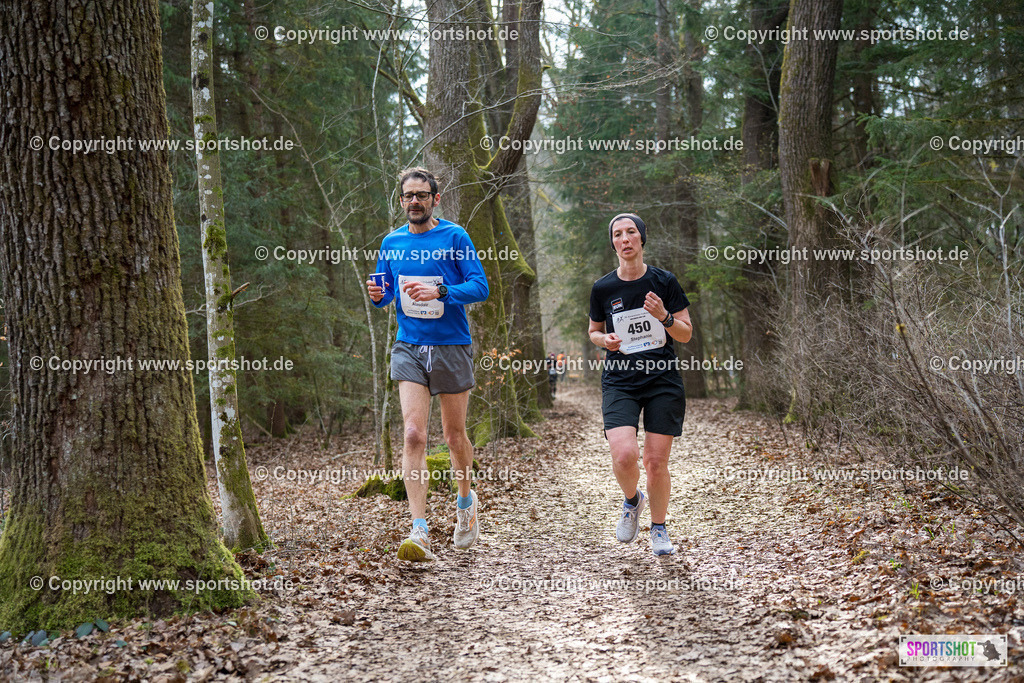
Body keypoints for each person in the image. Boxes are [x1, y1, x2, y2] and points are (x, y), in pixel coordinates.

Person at [366, 167, 489, 562]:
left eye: (422, 194)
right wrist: (377, 294)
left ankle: (466, 503)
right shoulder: (392, 241)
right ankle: (418, 528)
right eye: (408, 195)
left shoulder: (455, 236)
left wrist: (441, 290)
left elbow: (480, 286)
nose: (414, 201)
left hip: (451, 345)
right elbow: (386, 296)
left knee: (454, 437)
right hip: (409, 347)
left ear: (436, 199)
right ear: (401, 201)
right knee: (414, 434)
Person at [587, 213, 693, 556]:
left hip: (662, 380)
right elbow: (593, 331)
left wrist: (664, 316)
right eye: (618, 234)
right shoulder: (603, 288)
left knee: (656, 462)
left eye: (631, 232)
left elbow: (686, 333)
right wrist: (605, 341)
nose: (625, 238)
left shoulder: (664, 281)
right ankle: (633, 501)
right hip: (620, 381)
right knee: (623, 455)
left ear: (642, 238)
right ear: (613, 243)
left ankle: (659, 529)